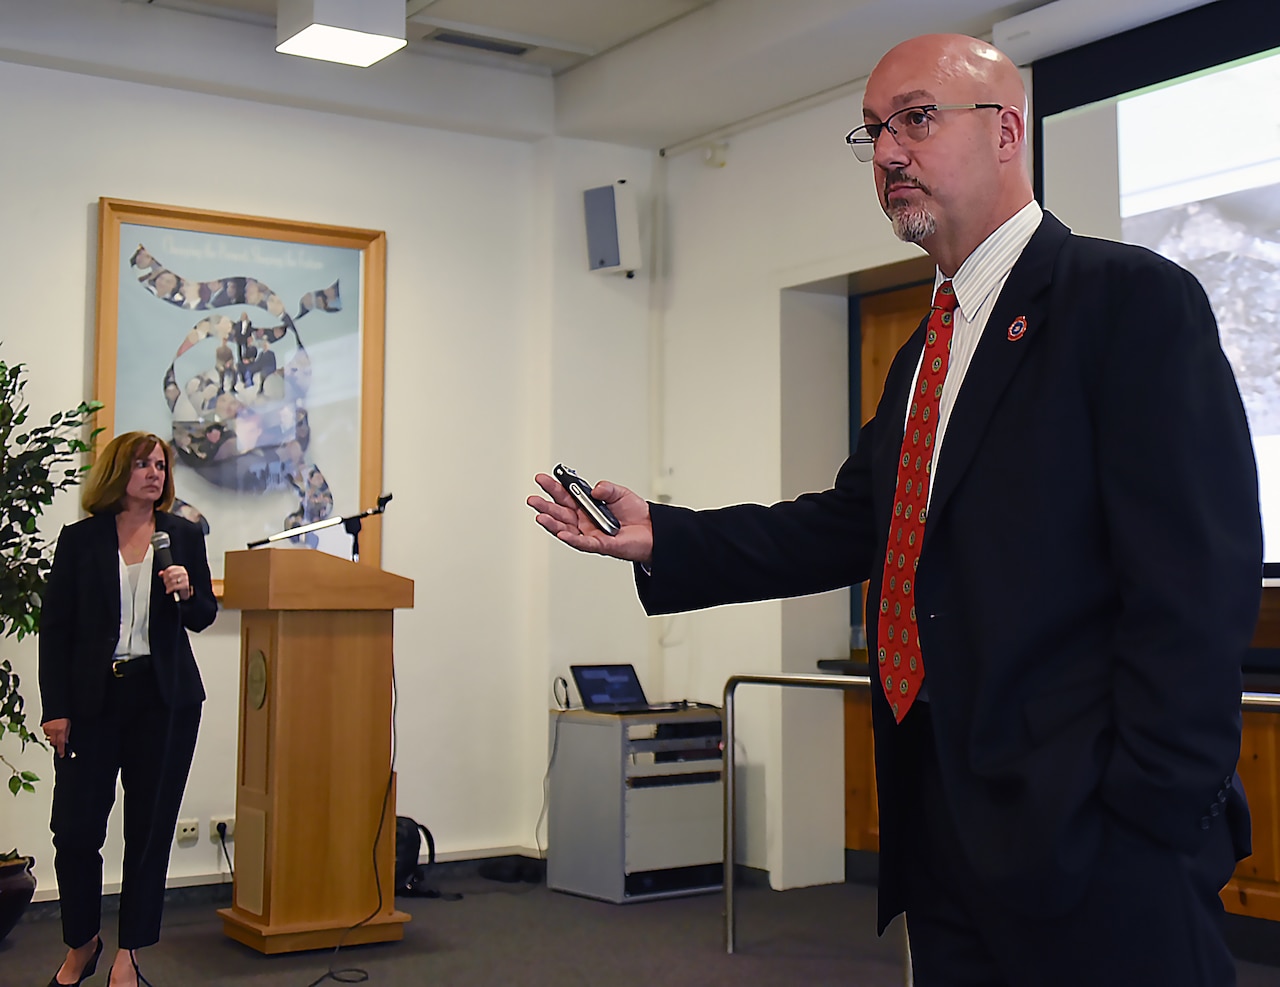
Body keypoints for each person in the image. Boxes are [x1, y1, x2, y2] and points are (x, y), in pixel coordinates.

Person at [528, 33, 1262, 987]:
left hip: (1097, 840)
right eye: (872, 131)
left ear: (1005, 131)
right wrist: (665, 534)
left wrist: (1149, 816)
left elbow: (1196, 586)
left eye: (915, 120)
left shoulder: (1130, 302)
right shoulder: (926, 349)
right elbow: (852, 522)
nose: (884, 154)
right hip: (946, 826)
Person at [39, 432, 217, 987]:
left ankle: (128, 955)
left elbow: (204, 615)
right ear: (119, 472)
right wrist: (56, 709)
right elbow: (56, 631)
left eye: (160, 465)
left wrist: (188, 591)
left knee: (149, 832)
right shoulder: (81, 540)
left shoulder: (183, 535)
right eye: (142, 464)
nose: (154, 474)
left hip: (164, 702)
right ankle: (82, 941)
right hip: (93, 703)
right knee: (74, 830)